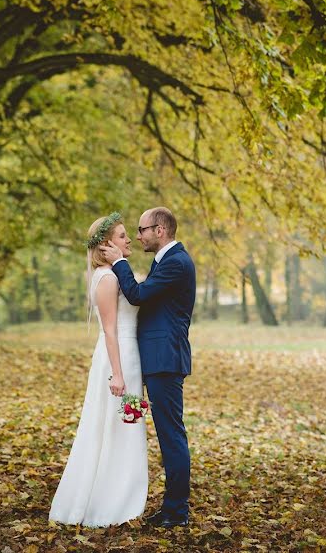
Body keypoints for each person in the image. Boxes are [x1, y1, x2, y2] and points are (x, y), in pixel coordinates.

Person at [48, 213, 147, 527]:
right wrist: (117, 374)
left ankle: (124, 494)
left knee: (127, 426)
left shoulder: (117, 274)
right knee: (113, 426)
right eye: (121, 235)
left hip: (131, 357)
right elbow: (109, 331)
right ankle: (109, 502)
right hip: (117, 359)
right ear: (106, 246)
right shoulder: (106, 279)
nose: (128, 239)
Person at [100, 206, 195, 528]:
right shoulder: (165, 262)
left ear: (160, 230)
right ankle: (169, 508)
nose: (138, 236)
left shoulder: (177, 263)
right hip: (153, 360)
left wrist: (119, 262)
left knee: (171, 436)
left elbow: (138, 295)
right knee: (162, 434)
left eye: (142, 230)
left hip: (164, 361)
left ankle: (177, 511)